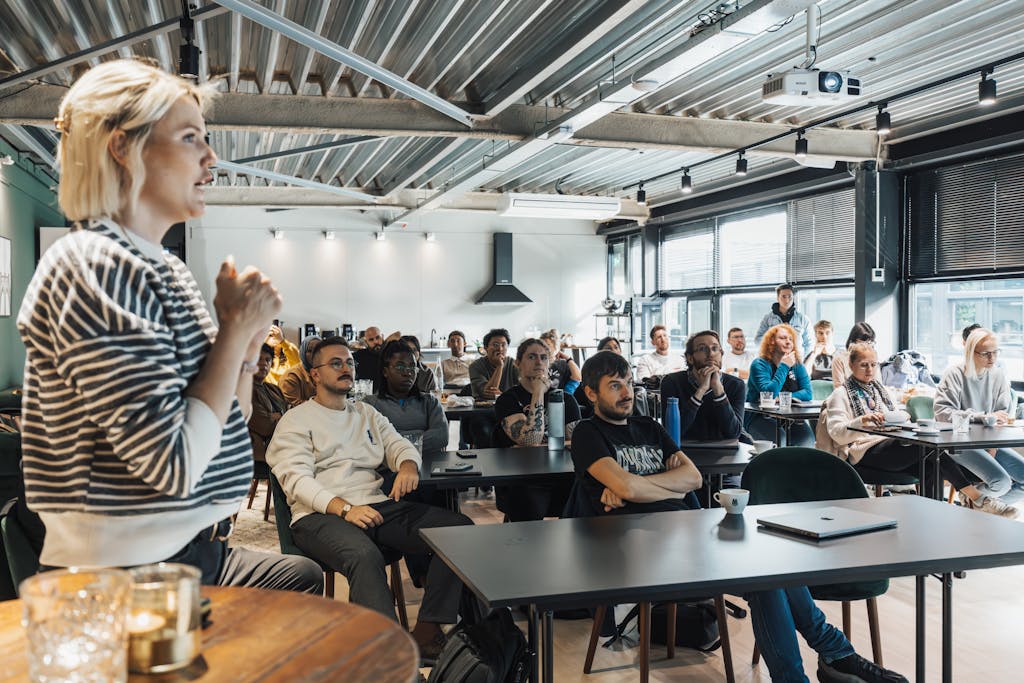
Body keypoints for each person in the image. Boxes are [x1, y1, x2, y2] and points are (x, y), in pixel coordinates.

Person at [16, 59, 321, 592]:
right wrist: (231, 330)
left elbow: (230, 414)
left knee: (299, 578)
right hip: (117, 574)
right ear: (122, 147)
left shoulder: (165, 268)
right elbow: (173, 462)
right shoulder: (93, 264)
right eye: (189, 138)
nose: (211, 157)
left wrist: (247, 345)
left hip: (188, 550)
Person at [572, 352, 909, 683]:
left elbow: (692, 479)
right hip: (637, 548)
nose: (627, 393)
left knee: (770, 559)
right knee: (761, 572)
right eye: (615, 386)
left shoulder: (648, 426)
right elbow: (633, 486)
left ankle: (829, 657)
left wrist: (639, 487)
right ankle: (834, 655)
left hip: (687, 532)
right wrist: (662, 486)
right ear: (591, 393)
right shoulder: (589, 434)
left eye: (628, 383)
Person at [266, 338, 473, 658]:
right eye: (336, 363)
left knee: (457, 529)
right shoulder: (296, 420)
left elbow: (399, 444)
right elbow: (295, 480)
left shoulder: (365, 413)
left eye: (349, 363)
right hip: (319, 515)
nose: (346, 368)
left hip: (375, 504)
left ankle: (427, 632)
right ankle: (389, 657)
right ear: (315, 375)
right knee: (364, 555)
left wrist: (406, 465)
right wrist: (344, 508)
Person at [818, 343, 969, 506]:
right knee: (928, 448)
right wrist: (862, 421)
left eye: (873, 364)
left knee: (931, 465)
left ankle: (934, 514)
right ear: (851, 365)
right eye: (863, 365)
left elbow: (899, 417)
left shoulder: (882, 391)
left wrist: (901, 417)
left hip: (887, 447)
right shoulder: (840, 394)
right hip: (861, 451)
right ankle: (971, 494)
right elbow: (837, 433)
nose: (869, 370)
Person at [934, 327, 1024, 513]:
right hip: (958, 443)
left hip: (989, 442)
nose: (992, 359)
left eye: (995, 352)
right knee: (1001, 482)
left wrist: (994, 445)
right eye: (986, 354)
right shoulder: (954, 374)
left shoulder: (998, 375)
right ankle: (980, 504)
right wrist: (981, 417)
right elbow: (943, 412)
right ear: (970, 352)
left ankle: (975, 504)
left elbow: (1002, 415)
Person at [493, 339, 581, 521]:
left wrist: (537, 446)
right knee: (529, 497)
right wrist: (538, 393)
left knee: (584, 488)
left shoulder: (566, 399)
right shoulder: (508, 400)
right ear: (518, 363)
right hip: (522, 477)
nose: (539, 362)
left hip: (561, 474)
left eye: (543, 358)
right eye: (531, 357)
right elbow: (530, 439)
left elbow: (578, 444)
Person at [363, 340, 448, 460]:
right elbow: (372, 442)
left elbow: (441, 437)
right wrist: (419, 435)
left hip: (429, 468)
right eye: (400, 366)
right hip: (389, 471)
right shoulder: (370, 404)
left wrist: (392, 441)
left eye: (412, 366)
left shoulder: (429, 402)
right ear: (385, 371)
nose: (408, 372)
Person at [659, 331, 745, 443]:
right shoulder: (671, 382)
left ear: (721, 355)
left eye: (715, 348)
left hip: (726, 450)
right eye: (703, 349)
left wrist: (719, 391)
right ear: (690, 358)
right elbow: (673, 432)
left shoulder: (736, 385)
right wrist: (701, 390)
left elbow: (733, 433)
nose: (711, 354)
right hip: (683, 451)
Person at [746, 324, 814, 447]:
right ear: (771, 341)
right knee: (780, 440)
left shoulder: (797, 365)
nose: (788, 342)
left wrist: (784, 397)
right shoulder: (759, 364)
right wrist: (784, 366)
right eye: (782, 338)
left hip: (791, 419)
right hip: (760, 417)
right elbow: (769, 394)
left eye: (790, 339)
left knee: (807, 441)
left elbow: (808, 393)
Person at [249, 344, 290, 464]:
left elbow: (291, 413)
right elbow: (266, 426)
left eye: (267, 360)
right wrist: (282, 416)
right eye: (258, 359)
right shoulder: (245, 390)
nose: (263, 364)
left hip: (282, 444)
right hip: (261, 451)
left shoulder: (274, 389)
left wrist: (277, 416)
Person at [754, 284, 813, 357]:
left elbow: (809, 344)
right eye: (783, 296)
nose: (787, 300)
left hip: (795, 363)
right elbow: (757, 341)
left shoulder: (803, 319)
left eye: (790, 297)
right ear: (778, 298)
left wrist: (800, 359)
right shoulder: (768, 319)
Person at [469, 328, 519, 399]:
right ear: (486, 347)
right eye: (495, 345)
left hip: (508, 406)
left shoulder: (513, 364)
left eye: (503, 345)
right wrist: (500, 366)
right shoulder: (475, 366)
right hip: (483, 408)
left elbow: (525, 388)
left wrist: (502, 396)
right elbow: (488, 394)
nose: (500, 349)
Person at [280, 333, 321, 407]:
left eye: (318, 350)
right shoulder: (291, 377)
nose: (314, 354)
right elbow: (295, 406)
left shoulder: (325, 372)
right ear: (303, 352)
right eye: (309, 351)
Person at [832, 322, 876, 388]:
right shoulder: (839, 360)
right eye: (864, 342)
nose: (867, 346)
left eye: (870, 342)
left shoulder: (873, 360)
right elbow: (839, 387)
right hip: (848, 396)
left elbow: (878, 384)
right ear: (853, 341)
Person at [540, 328, 581, 395]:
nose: (544, 348)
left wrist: (568, 358)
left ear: (555, 347)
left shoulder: (562, 364)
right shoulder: (537, 363)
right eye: (541, 345)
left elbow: (577, 378)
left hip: (558, 400)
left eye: (548, 345)